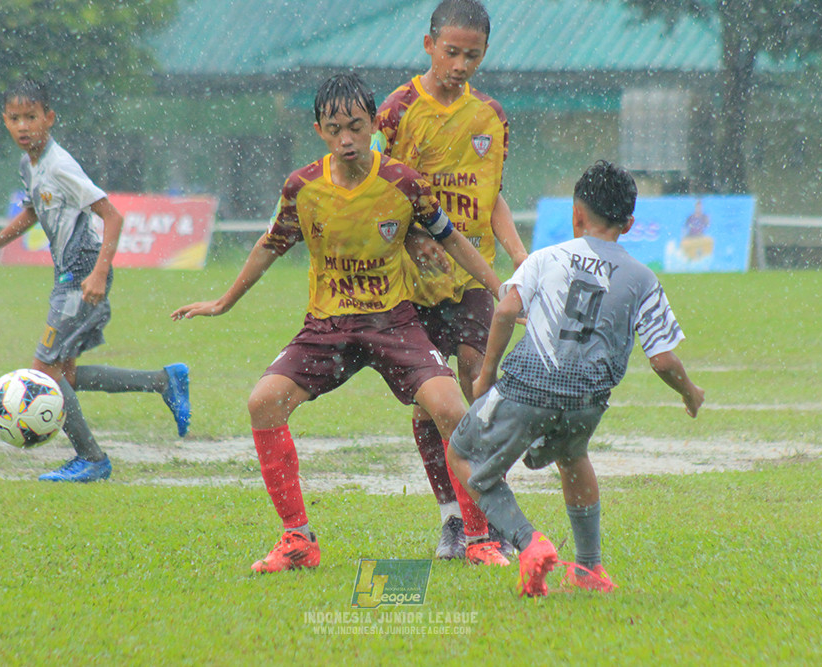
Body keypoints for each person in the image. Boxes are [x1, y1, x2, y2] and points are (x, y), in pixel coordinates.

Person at [171, 72, 511, 573]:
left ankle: (479, 539)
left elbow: (452, 239)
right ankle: (298, 539)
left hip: (393, 323)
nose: (346, 139)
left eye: (355, 126)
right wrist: (224, 301)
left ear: (373, 124)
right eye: (334, 129)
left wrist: (501, 290)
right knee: (263, 402)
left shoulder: (404, 183)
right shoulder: (302, 187)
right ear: (319, 131)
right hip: (327, 327)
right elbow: (270, 244)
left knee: (450, 408)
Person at [445, 160, 705, 596]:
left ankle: (529, 542)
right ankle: (588, 567)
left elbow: (506, 311)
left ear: (576, 214)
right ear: (629, 223)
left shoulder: (547, 258)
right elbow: (662, 359)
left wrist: (485, 377)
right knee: (573, 456)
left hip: (528, 388)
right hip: (586, 401)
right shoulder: (642, 279)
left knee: (462, 454)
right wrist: (690, 392)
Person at [0, 79, 190, 482]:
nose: (23, 126)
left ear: (49, 118)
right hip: (66, 273)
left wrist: (98, 273)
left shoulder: (60, 165)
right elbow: (32, 212)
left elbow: (112, 216)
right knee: (63, 376)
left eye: (31, 117)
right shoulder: (29, 164)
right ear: (5, 121)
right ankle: (162, 381)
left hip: (81, 272)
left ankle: (92, 459)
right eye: (14, 118)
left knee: (43, 372)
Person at [372, 0, 528, 560]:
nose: (461, 65)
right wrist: (412, 241)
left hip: (471, 273)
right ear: (429, 45)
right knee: (430, 405)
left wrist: (520, 258)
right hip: (411, 282)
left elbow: (492, 198)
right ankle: (453, 520)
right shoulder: (395, 113)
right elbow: (376, 193)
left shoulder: (491, 116)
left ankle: (487, 513)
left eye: (473, 55)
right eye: (452, 52)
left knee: (477, 381)